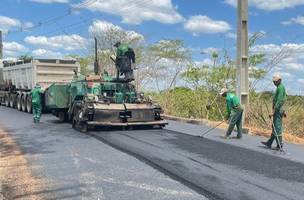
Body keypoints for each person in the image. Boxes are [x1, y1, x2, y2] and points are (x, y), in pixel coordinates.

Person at [261, 74, 287, 150]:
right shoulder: (279, 87)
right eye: (273, 81)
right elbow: (284, 98)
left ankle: (280, 145)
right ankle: (269, 143)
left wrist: (273, 112)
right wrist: (283, 111)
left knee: (277, 127)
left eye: (275, 81)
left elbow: (279, 101)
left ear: (280, 80)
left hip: (278, 111)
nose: (274, 83)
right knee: (274, 126)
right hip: (279, 110)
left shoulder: (280, 88)